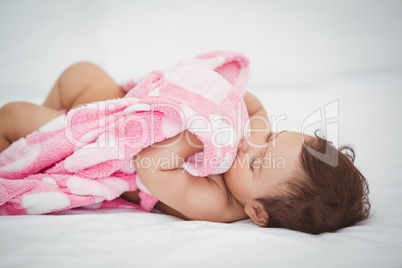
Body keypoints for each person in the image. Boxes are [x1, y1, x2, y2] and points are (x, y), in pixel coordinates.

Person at [0, 62, 371, 234]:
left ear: (257, 212)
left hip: (110, 152)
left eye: (258, 162)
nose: (251, 147)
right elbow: (252, 105)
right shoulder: (249, 153)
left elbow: (150, 165)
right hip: (126, 119)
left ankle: (42, 151)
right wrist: (235, 116)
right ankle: (55, 126)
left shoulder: (218, 204)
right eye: (271, 140)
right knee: (80, 74)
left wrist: (197, 134)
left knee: (11, 116)